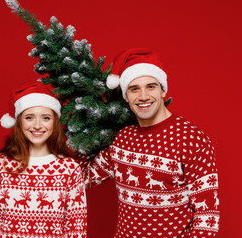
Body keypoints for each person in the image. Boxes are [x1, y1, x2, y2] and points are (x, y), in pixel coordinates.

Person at [80, 48, 219, 237]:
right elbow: (83, 177)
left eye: (151, 87)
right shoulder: (123, 139)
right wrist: (73, 129)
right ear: (126, 97)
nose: (143, 96)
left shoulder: (191, 139)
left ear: (163, 90)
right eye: (134, 89)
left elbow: (207, 215)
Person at [0, 81, 87, 238]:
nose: (37, 125)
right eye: (29, 117)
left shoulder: (70, 168)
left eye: (46, 118)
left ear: (55, 122)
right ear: (19, 121)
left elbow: (76, 229)